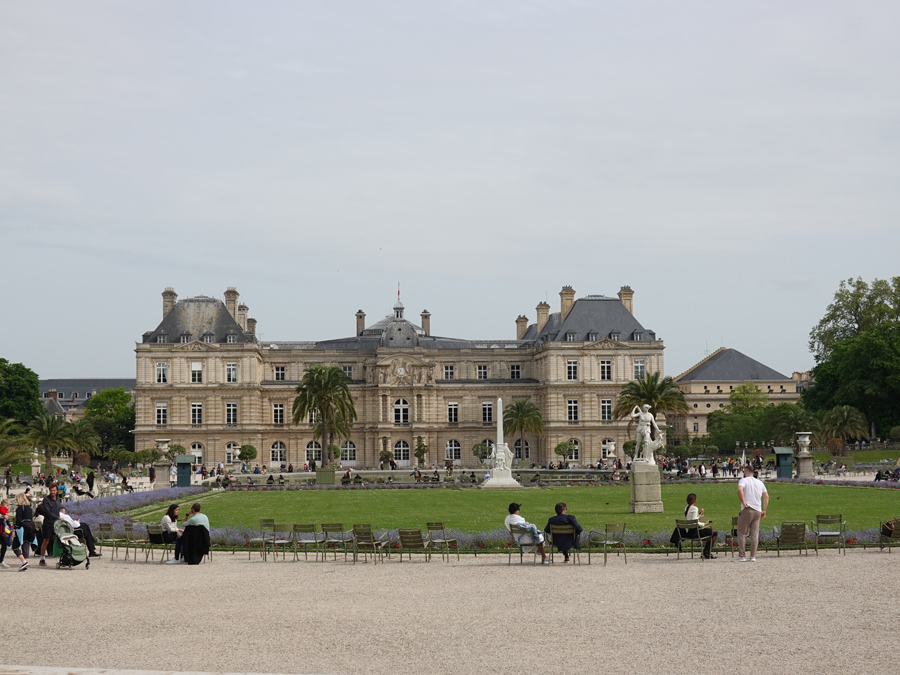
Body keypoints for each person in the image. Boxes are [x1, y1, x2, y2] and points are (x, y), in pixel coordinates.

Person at [735, 465, 768, 562]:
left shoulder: (743, 480)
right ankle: (753, 556)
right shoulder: (759, 482)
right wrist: (764, 510)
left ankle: (742, 556)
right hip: (758, 509)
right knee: (754, 534)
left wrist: (743, 501)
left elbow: (739, 490)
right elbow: (766, 496)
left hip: (747, 508)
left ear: (745, 472)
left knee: (742, 533)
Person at [683, 493, 718, 559]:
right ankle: (706, 552)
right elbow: (695, 522)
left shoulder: (687, 508)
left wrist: (701, 515)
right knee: (715, 532)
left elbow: (693, 520)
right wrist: (704, 524)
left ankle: (706, 551)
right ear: (695, 500)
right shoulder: (695, 508)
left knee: (711, 532)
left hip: (690, 532)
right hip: (696, 532)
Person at [37, 483, 62, 566]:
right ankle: (42, 558)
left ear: (57, 490)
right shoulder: (46, 499)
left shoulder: (58, 499)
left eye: (54, 490)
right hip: (48, 523)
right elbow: (47, 512)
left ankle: (63, 558)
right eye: (51, 490)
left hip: (56, 523)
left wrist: (63, 510)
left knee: (61, 540)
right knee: (46, 540)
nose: (53, 492)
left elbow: (59, 507)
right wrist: (57, 517)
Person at [12, 492, 35, 571]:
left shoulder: (19, 508)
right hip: (30, 527)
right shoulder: (29, 508)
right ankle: (25, 563)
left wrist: (14, 529)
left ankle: (24, 561)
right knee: (26, 545)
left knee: (15, 546)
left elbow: (18, 520)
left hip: (22, 527)